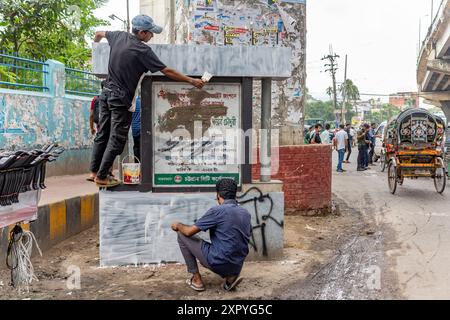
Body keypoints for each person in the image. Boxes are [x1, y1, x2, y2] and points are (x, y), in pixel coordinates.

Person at [88, 15, 204, 187]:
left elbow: (98, 33)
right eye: (150, 33)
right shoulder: (142, 51)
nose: (152, 36)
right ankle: (102, 176)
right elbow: (167, 71)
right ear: (141, 32)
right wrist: (192, 81)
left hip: (105, 94)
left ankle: (93, 171)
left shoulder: (118, 36)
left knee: (103, 132)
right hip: (120, 99)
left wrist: (96, 49)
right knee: (117, 138)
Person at [171, 179, 252, 292]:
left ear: (218, 195)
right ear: (234, 195)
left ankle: (196, 279)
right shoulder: (245, 213)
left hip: (218, 261)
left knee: (182, 235)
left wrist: (178, 225)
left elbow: (189, 232)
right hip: (237, 265)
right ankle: (229, 279)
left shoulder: (217, 211)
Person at [132, 96, 141, 161]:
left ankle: (137, 163)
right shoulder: (143, 102)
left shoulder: (134, 103)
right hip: (142, 128)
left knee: (136, 146)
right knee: (142, 147)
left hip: (134, 128)